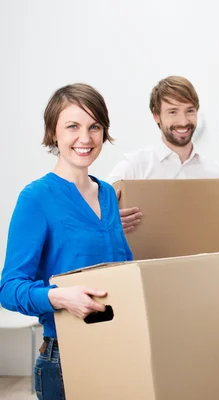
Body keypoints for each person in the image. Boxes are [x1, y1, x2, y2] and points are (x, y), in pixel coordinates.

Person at [0, 83, 133, 400]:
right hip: (65, 358)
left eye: (94, 126)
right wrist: (60, 297)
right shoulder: (36, 198)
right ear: (53, 133)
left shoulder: (107, 196)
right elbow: (9, 288)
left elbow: (120, 272)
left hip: (119, 351)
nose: (85, 138)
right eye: (72, 126)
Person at [107, 76, 219, 232]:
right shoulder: (133, 167)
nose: (183, 121)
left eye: (190, 111)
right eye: (173, 112)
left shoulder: (218, 174)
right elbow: (97, 214)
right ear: (156, 116)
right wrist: (112, 220)